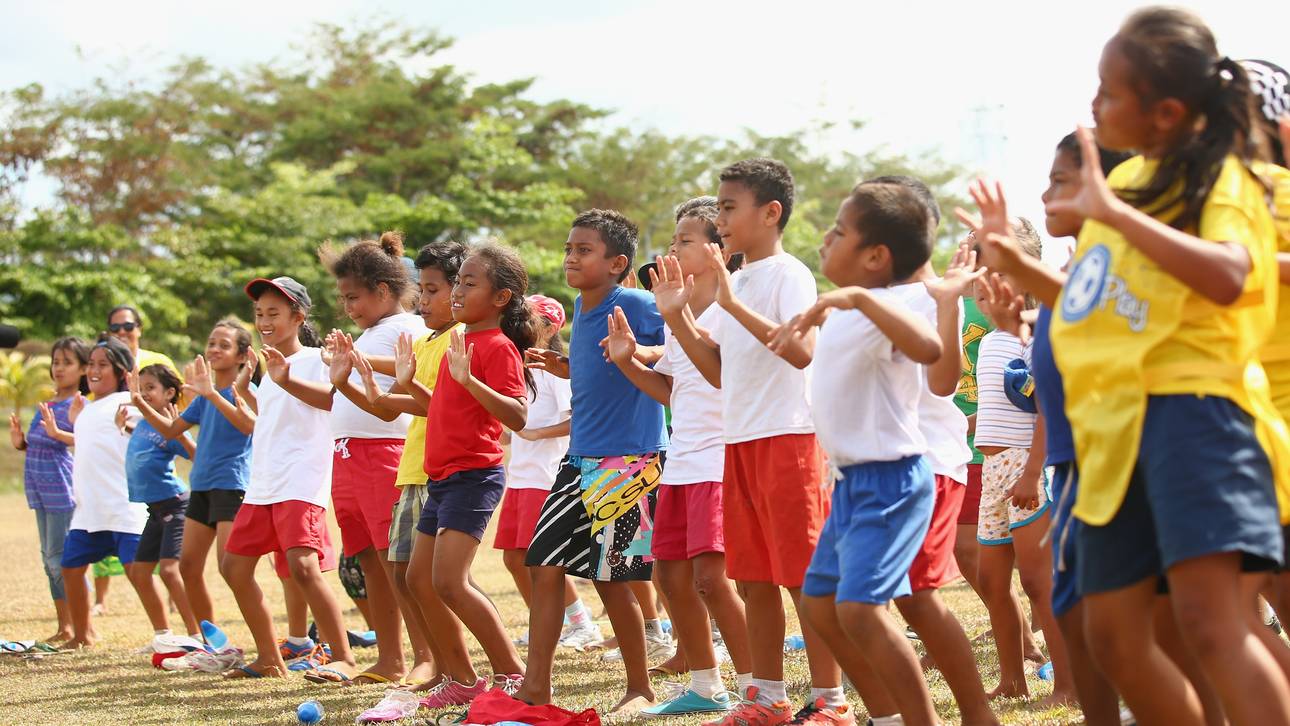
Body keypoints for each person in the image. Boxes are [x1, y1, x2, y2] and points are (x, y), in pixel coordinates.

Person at [1042, 9, 1289, 723]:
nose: (1095, 104)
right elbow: (1096, 300)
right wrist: (1016, 274)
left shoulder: (1229, 177)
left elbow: (1231, 275)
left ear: (1167, 112)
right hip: (1117, 432)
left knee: (1215, 627)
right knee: (1114, 635)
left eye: (1109, 93)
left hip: (1197, 418)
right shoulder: (1128, 187)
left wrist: (1114, 216)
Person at [658, 159, 843, 723]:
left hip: (787, 439)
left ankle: (830, 701)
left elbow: (802, 351)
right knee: (754, 577)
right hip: (737, 443)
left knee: (801, 578)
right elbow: (718, 372)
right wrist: (679, 319)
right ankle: (766, 698)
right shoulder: (734, 286)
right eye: (718, 207)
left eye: (729, 207)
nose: (721, 219)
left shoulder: (788, 274)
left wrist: (733, 303)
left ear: (771, 212)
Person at [766, 180, 945, 726]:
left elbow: (930, 349)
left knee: (860, 608)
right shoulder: (841, 312)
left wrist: (862, 299)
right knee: (821, 606)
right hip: (849, 483)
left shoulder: (883, 305)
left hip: (892, 481)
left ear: (876, 258)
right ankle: (886, 717)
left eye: (840, 231)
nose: (825, 236)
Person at [847, 176, 1000, 726]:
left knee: (916, 599)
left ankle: (977, 715)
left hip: (926, 465)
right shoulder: (867, 301)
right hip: (872, 470)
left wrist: (945, 307)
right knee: (865, 601)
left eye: (847, 228)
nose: (833, 239)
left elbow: (942, 382)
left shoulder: (931, 298)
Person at [605, 196, 754, 717]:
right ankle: (707, 684)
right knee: (669, 578)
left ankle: (759, 689)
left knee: (712, 579)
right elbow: (672, 391)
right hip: (683, 458)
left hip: (719, 458)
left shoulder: (731, 310)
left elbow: (721, 378)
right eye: (673, 241)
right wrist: (627, 361)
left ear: (720, 248)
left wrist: (677, 319)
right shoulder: (679, 311)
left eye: (684, 241)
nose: (672, 250)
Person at [516, 209, 668, 716]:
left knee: (609, 577)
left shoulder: (637, 302)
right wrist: (563, 366)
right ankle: (535, 688)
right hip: (579, 457)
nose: (570, 258)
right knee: (542, 562)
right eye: (569, 249)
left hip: (629, 459)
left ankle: (640, 685)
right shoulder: (581, 307)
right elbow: (601, 373)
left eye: (584, 250)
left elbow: (678, 350)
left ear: (617, 262)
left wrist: (640, 351)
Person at [273, 233, 428, 684]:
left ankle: (425, 656)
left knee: (395, 562)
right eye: (343, 298)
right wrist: (287, 381)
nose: (347, 307)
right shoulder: (369, 334)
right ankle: (391, 658)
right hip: (348, 456)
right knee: (369, 563)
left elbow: (389, 396)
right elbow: (337, 398)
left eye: (353, 297)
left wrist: (346, 364)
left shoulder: (406, 331)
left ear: (383, 291)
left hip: (386, 455)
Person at [384, 243, 533, 706]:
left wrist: (471, 380)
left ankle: (511, 673)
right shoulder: (458, 342)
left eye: (470, 284)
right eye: (459, 282)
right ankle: (463, 680)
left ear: (501, 298)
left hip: (475, 476)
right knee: (417, 579)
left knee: (450, 580)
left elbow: (517, 416)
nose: (457, 292)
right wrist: (410, 382)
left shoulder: (498, 347)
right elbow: (442, 411)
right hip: (443, 478)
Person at [219, 276, 356, 680]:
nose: (263, 320)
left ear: (298, 316)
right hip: (264, 484)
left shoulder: (316, 359)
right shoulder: (268, 366)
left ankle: (343, 657)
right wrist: (249, 391)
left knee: (303, 568)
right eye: (259, 313)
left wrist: (283, 380)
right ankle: (268, 658)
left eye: (273, 313)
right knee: (233, 567)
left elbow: (332, 402)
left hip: (301, 481)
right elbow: (275, 422)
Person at [347, 240, 470, 692]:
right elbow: (394, 404)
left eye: (433, 290)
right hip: (415, 471)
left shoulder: (460, 340)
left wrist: (390, 378)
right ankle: (441, 666)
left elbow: (439, 405)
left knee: (439, 581)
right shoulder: (433, 339)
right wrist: (360, 381)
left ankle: (467, 669)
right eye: (423, 290)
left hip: (443, 473)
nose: (424, 300)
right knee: (404, 574)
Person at [969, 220, 1075, 706]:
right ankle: (1012, 678)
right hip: (993, 470)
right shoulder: (991, 338)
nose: (977, 275)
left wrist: (1033, 471)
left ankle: (1069, 684)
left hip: (1026, 470)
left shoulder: (1036, 333)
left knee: (1037, 581)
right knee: (993, 580)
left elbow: (1048, 409)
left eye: (987, 262)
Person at [492, 295, 602, 651]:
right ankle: (547, 623)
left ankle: (581, 624)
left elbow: (575, 419)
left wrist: (537, 434)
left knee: (544, 560)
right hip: (521, 476)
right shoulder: (520, 367)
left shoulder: (556, 371)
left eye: (529, 319)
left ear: (551, 327)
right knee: (513, 558)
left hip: (545, 476)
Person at [131, 320, 257, 630]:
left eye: (223, 345)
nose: (214, 349)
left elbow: (248, 426)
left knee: (231, 570)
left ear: (242, 356)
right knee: (187, 567)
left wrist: (213, 394)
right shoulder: (203, 396)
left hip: (231, 486)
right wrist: (140, 404)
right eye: (211, 343)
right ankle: (211, 643)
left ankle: (264, 644)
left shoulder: (245, 391)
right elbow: (172, 430)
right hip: (200, 486)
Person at [42, 337, 153, 649]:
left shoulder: (129, 405)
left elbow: (142, 441)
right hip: (89, 511)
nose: (93, 369)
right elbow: (89, 445)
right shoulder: (88, 409)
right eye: (90, 364)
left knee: (137, 572)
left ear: (120, 371)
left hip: (122, 507)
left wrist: (135, 403)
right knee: (71, 567)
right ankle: (83, 634)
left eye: (102, 364)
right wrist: (71, 425)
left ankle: (168, 635)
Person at [8, 337, 90, 643]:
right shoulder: (50, 402)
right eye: (56, 361)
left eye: (67, 362)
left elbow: (83, 441)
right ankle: (64, 626)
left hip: (61, 490)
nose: (59, 368)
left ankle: (82, 627)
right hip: (39, 488)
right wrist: (21, 443)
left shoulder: (79, 405)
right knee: (49, 560)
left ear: (83, 368)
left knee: (62, 560)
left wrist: (58, 432)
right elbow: (43, 443)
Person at [122, 363, 200, 640]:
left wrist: (179, 433)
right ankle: (163, 634)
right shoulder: (144, 424)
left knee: (169, 570)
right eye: (140, 389)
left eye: (150, 389)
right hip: (154, 510)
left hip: (176, 505)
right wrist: (124, 425)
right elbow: (145, 439)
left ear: (169, 393)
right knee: (140, 572)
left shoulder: (171, 424)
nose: (143, 394)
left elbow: (196, 455)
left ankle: (196, 636)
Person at [106, 305, 179, 375]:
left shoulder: (160, 362)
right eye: (115, 327)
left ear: (139, 329)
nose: (122, 332)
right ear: (109, 332)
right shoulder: (100, 365)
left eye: (128, 326)